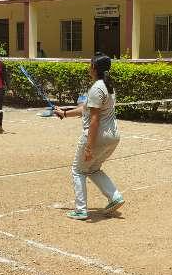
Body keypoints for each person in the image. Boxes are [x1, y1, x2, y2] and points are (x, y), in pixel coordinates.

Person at [54, 53, 125, 221]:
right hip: (113, 136)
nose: (88, 66)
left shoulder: (96, 88)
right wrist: (64, 113)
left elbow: (94, 120)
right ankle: (115, 197)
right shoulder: (108, 86)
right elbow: (85, 109)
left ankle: (80, 210)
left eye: (90, 63)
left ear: (94, 68)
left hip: (98, 136)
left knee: (78, 170)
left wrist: (89, 147)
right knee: (92, 168)